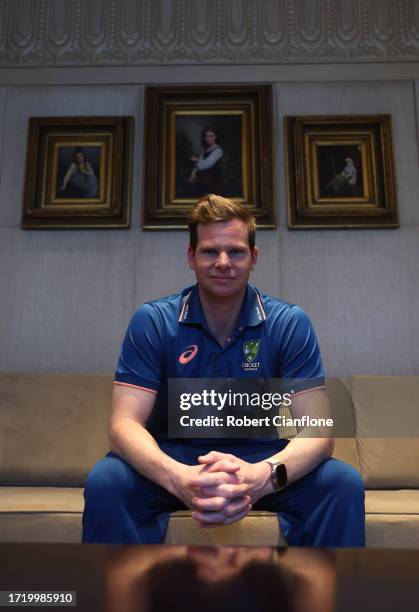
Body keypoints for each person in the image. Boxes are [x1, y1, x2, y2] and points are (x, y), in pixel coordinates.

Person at [82, 194, 365, 546]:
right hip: (172, 456)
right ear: (191, 257)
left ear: (254, 258)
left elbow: (318, 431)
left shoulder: (289, 323)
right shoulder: (153, 321)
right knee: (106, 480)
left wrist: (259, 477)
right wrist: (180, 478)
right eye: (209, 251)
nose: (222, 262)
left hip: (260, 457)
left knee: (342, 484)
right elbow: (123, 425)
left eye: (235, 252)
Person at [186, 127, 224, 195]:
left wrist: (196, 160)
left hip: (214, 180)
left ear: (215, 137)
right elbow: (198, 165)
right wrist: (192, 174)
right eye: (206, 136)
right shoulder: (205, 150)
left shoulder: (218, 150)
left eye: (211, 136)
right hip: (204, 179)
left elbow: (207, 164)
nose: (208, 138)